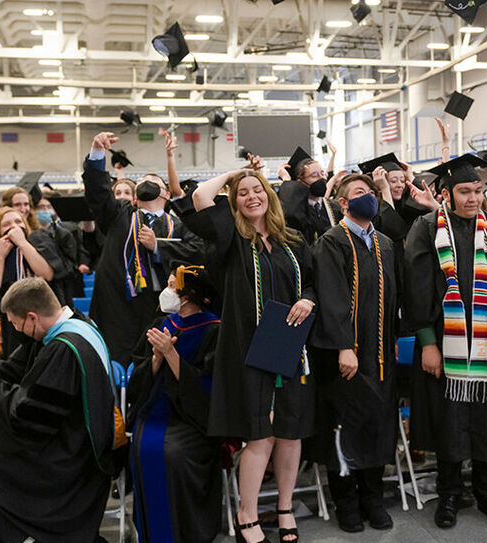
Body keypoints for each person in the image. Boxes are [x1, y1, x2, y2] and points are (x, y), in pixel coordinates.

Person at [187, 160, 317, 543]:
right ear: (234, 202)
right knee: (261, 435)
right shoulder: (229, 237)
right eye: (243, 194)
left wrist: (308, 302)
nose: (251, 197)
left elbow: (310, 284)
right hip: (248, 350)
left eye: (258, 190)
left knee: (290, 433)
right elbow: (199, 196)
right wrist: (236, 175)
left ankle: (285, 507)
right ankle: (247, 512)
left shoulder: (292, 240)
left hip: (290, 346)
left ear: (270, 196)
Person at [401, 155, 487, 529]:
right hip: (445, 342)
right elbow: (417, 288)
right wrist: (427, 341)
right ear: (446, 193)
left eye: (478, 190)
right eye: (464, 191)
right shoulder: (425, 228)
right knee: (449, 420)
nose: (473, 198)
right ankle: (449, 494)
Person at [0, 276, 118, 543]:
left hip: (68, 458)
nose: (17, 330)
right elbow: (26, 369)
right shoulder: (77, 324)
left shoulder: (64, 349)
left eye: (15, 323)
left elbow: (30, 418)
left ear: (32, 317)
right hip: (68, 436)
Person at [310, 173, 400, 533]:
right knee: (345, 427)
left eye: (371, 192)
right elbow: (331, 298)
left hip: (380, 353)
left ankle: (373, 498)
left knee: (378, 424)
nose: (369, 198)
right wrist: (344, 346)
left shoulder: (385, 243)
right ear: (343, 203)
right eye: (360, 193)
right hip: (346, 355)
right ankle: (346, 501)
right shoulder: (331, 242)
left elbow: (392, 298)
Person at [82, 132, 201, 364]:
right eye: (142, 181)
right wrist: (97, 152)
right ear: (134, 197)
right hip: (118, 308)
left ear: (166, 194)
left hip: (164, 310)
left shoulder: (180, 225)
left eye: (154, 181)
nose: (147, 182)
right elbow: (97, 192)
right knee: (119, 367)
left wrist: (159, 247)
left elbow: (197, 253)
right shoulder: (119, 215)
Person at [128, 264, 223, 543]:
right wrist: (157, 358)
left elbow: (207, 389)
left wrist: (171, 354)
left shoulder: (213, 331)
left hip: (192, 420)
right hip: (155, 409)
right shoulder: (161, 324)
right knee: (142, 445)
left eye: (173, 287)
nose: (167, 292)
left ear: (190, 295)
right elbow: (138, 377)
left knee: (172, 453)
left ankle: (185, 533)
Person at [0, 207, 66, 362]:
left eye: (18, 221)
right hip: (11, 328)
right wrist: (0, 256)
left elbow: (46, 274)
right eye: (6, 224)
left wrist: (23, 243)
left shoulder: (38, 241)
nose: (14, 226)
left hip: (42, 322)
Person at [277, 147, 342, 244]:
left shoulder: (335, 207)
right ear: (300, 182)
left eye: (322, 173)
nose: (321, 178)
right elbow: (291, 215)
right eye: (314, 175)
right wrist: (287, 180)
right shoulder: (298, 211)